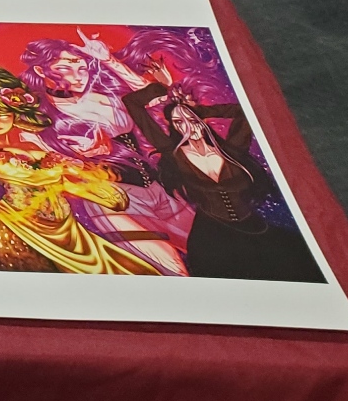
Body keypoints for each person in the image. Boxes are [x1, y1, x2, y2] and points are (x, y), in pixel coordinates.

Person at [0, 25, 161, 275]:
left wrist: (94, 178)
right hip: (17, 227)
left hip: (69, 230)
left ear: (15, 114)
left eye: (3, 113)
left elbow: (70, 179)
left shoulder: (37, 142)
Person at [122, 61, 326, 283]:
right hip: (211, 235)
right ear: (172, 126)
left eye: (191, 120)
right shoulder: (173, 154)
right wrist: (161, 87)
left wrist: (200, 111)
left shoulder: (232, 150)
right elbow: (132, 103)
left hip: (254, 229)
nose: (187, 126)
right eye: (178, 122)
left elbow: (246, 112)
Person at [19, 32, 193, 276]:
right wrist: (84, 159)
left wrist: (108, 60)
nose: (78, 76)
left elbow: (157, 96)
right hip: (113, 202)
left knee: (212, 252)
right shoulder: (37, 118)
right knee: (174, 269)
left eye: (82, 68)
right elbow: (43, 168)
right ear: (40, 71)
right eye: (65, 69)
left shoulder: (107, 95)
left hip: (160, 190)